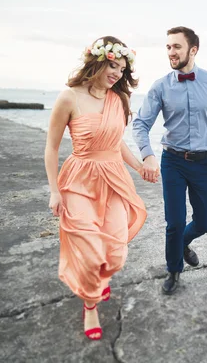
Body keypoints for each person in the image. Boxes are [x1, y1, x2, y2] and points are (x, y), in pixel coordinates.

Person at [44, 36, 148, 340]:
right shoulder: (69, 98)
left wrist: (139, 166)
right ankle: (90, 305)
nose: (116, 73)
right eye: (112, 66)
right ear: (98, 62)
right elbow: (51, 149)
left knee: (116, 252)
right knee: (90, 251)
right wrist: (54, 190)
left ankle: (101, 280)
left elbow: (115, 141)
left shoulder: (118, 100)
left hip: (114, 179)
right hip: (79, 180)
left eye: (121, 69)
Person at [133, 26, 207, 295]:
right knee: (175, 222)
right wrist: (148, 155)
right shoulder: (160, 86)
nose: (171, 52)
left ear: (193, 50)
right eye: (168, 47)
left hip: (203, 163)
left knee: (204, 222)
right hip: (173, 162)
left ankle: (182, 244)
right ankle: (174, 270)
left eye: (176, 46)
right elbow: (140, 124)